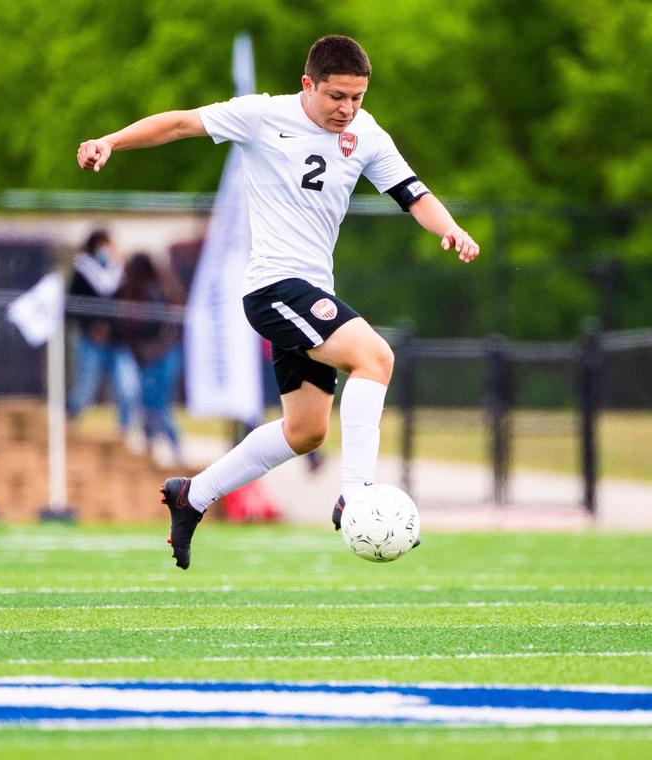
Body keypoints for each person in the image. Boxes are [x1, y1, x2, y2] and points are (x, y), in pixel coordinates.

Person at [77, 35, 479, 569]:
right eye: (337, 96)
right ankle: (356, 495)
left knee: (306, 431)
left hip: (312, 291)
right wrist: (110, 141)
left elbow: (412, 193)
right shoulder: (262, 115)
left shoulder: (365, 132)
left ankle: (191, 496)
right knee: (375, 357)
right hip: (272, 287)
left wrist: (448, 228)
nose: (348, 109)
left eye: (357, 97)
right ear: (307, 84)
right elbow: (178, 123)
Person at [66, 229, 142, 437]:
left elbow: (130, 305)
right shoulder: (83, 271)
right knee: (85, 389)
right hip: (92, 341)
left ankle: (124, 432)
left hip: (118, 343)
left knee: (128, 388)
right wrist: (92, 326)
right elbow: (72, 306)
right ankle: (68, 424)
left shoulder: (121, 272)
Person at [117, 252, 186, 465]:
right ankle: (154, 446)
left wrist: (157, 350)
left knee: (158, 405)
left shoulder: (159, 289)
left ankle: (174, 448)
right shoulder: (133, 292)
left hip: (162, 355)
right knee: (149, 403)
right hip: (151, 357)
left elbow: (168, 325)